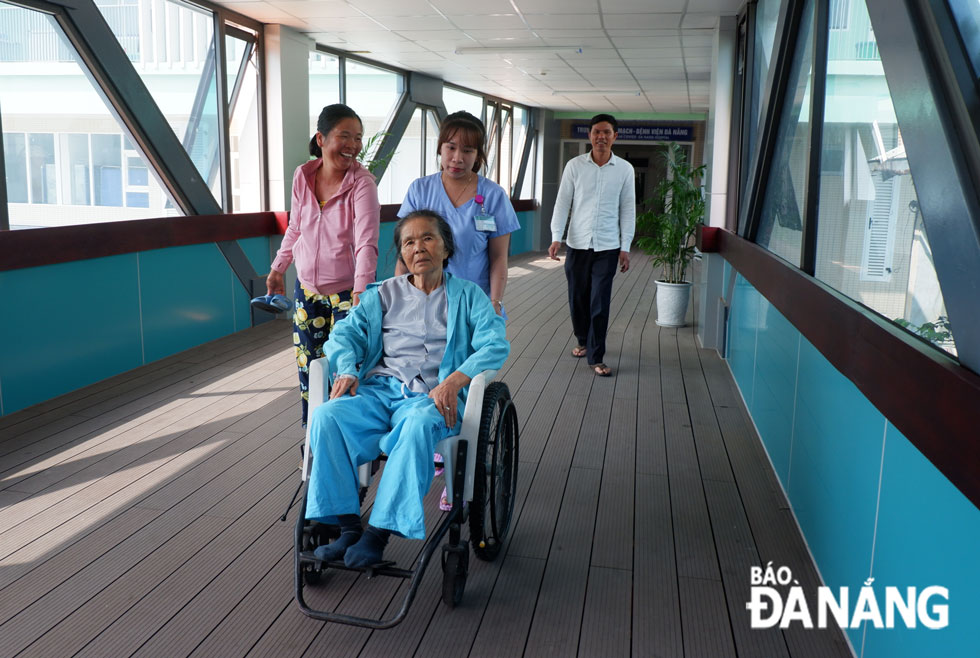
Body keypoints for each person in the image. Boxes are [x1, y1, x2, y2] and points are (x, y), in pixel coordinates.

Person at [305, 210, 509, 568]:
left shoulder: (469, 296)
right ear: (401, 253)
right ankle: (348, 526)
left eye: (428, 238)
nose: (419, 248)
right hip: (380, 391)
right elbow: (344, 335)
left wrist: (455, 380)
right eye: (409, 242)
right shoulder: (383, 294)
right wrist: (349, 369)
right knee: (326, 416)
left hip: (433, 397)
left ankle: (377, 533)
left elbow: (494, 344)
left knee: (416, 426)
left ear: (446, 247)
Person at [397, 110, 520, 509]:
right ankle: (435, 443)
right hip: (426, 301)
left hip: (473, 306)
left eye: (468, 149)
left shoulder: (493, 196)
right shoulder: (421, 190)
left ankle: (459, 465)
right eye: (451, 147)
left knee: (464, 382)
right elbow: (407, 249)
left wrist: (495, 301)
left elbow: (499, 258)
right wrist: (399, 297)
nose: (458, 157)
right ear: (440, 148)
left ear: (478, 154)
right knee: (424, 372)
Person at [267, 104, 380, 426]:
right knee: (309, 368)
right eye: (345, 136)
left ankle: (347, 437)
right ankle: (313, 437)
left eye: (358, 138)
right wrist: (278, 268)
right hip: (307, 291)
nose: (354, 145)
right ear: (321, 138)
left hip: (347, 293)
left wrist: (361, 291)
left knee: (347, 368)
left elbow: (366, 242)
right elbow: (296, 227)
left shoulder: (362, 184)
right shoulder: (302, 176)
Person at [548, 113, 635, 377]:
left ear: (615, 137)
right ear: (590, 135)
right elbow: (563, 203)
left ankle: (597, 356)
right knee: (577, 297)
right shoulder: (574, 166)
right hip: (577, 244)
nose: (601, 137)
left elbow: (628, 209)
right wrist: (556, 236)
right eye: (597, 132)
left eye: (607, 132)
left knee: (600, 301)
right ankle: (583, 339)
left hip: (607, 246)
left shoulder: (624, 170)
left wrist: (625, 246)